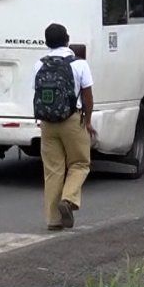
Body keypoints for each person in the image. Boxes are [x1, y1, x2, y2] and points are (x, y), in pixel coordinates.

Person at [33, 23, 95, 230]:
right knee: (80, 164)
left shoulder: (39, 65)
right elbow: (87, 96)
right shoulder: (79, 64)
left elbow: (37, 93)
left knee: (53, 171)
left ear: (46, 42)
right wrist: (87, 120)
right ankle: (68, 200)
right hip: (72, 120)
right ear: (67, 40)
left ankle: (53, 220)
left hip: (47, 123)